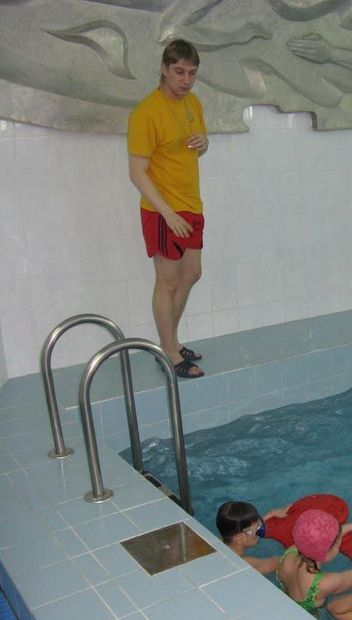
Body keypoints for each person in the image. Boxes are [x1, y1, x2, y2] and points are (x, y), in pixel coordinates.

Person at [128, 39, 209, 379]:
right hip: (163, 211)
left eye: (191, 73)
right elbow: (137, 172)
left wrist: (205, 142)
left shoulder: (193, 103)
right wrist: (167, 213)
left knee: (192, 274)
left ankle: (169, 342)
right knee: (168, 281)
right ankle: (170, 353)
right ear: (164, 68)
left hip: (191, 204)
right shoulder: (147, 112)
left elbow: (197, 146)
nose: (186, 80)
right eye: (179, 72)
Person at [216, 501, 291, 574]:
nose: (260, 529)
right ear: (240, 538)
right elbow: (280, 563)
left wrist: (271, 514)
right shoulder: (246, 564)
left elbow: (247, 529)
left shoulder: (219, 542)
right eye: (257, 528)